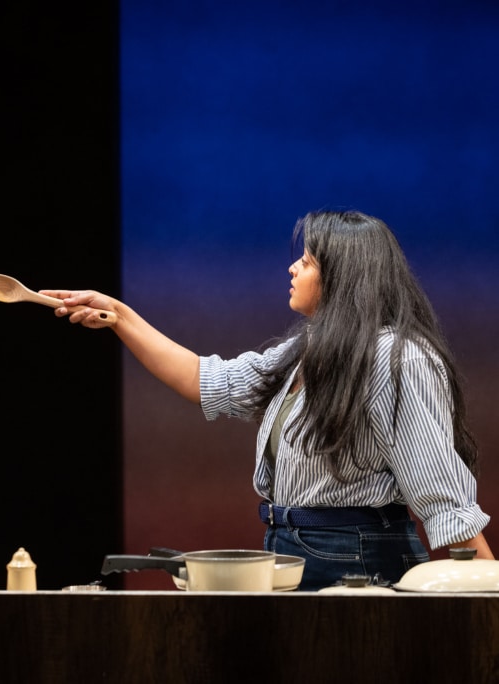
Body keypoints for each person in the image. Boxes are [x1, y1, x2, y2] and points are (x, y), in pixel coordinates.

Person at [41, 209, 494, 591]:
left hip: (359, 558)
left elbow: (441, 493)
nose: (293, 268)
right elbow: (207, 380)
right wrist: (118, 316)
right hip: (293, 549)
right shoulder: (306, 352)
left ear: (344, 276)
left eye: (308, 261)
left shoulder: (395, 357)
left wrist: (486, 599)